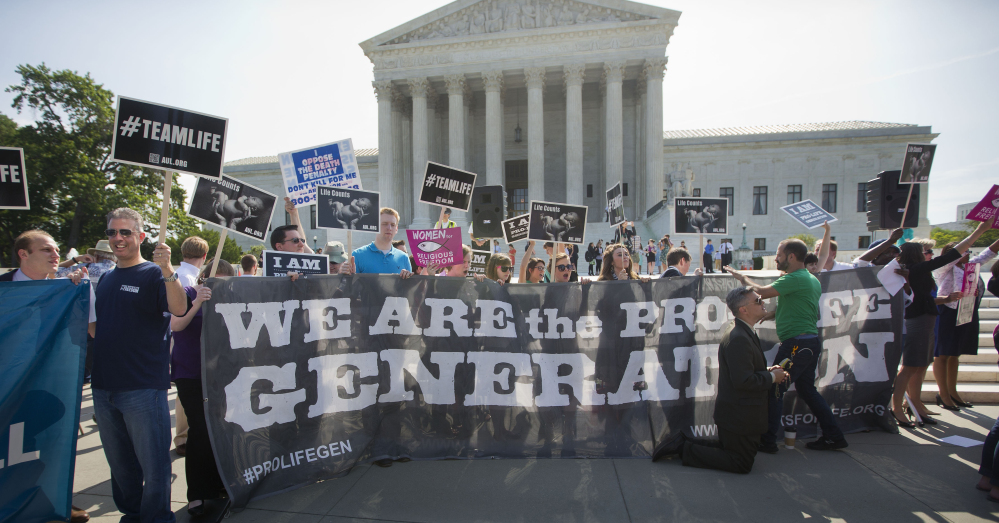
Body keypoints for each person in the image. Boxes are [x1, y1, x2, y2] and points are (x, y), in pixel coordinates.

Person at [92, 207, 191, 523]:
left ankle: (157, 518)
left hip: (142, 387)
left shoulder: (153, 273)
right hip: (104, 387)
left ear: (141, 236)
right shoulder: (106, 278)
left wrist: (167, 270)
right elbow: (99, 327)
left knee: (154, 464)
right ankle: (132, 516)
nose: (118, 238)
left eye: (125, 232)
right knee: (120, 465)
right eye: (112, 232)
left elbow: (178, 308)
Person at [2, 230, 96, 523]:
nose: (56, 255)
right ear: (23, 254)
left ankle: (51, 499)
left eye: (57, 249)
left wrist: (76, 295)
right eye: (46, 250)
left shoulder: (63, 290)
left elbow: (78, 336)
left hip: (41, 383)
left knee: (44, 440)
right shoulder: (3, 287)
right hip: (6, 385)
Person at [724, 238, 847, 452]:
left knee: (775, 388)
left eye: (779, 255)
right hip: (807, 342)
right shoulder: (809, 278)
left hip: (797, 345)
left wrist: (741, 277)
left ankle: (768, 441)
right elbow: (799, 307)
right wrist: (773, 314)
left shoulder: (795, 278)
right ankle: (833, 435)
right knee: (807, 390)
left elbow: (760, 292)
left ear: (791, 257)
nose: (775, 259)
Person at [656, 287, 788, 473]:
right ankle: (683, 448)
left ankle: (683, 442)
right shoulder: (739, 337)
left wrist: (767, 371)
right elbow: (743, 381)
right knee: (741, 463)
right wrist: (773, 377)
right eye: (758, 300)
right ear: (744, 309)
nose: (763, 303)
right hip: (739, 415)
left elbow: (743, 369)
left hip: (739, 414)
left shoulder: (743, 331)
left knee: (733, 452)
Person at [890, 217, 994, 423]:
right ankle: (898, 407)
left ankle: (916, 404)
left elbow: (925, 299)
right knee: (910, 366)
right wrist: (979, 231)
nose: (929, 255)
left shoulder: (917, 272)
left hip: (926, 319)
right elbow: (953, 255)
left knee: (921, 365)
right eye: (926, 252)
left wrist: (945, 299)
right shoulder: (917, 269)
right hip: (917, 321)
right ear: (917, 255)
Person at [170, 261, 233, 517]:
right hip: (191, 373)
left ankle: (219, 484)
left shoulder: (232, 298)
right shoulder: (186, 293)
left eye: (226, 282)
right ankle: (196, 493)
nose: (220, 286)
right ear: (203, 278)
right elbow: (176, 326)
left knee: (221, 428)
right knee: (201, 429)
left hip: (221, 373)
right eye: (215, 280)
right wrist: (198, 303)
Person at [933, 236, 999, 410]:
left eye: (968, 251)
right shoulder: (944, 268)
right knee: (942, 354)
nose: (968, 253)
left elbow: (988, 253)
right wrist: (978, 233)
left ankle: (953, 392)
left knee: (955, 354)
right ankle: (943, 394)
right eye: (964, 251)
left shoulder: (970, 266)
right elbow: (951, 260)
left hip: (966, 311)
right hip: (947, 312)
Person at [342, 208, 412, 277]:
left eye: (393, 225)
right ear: (375, 226)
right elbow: (347, 286)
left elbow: (409, 288)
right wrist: (343, 274)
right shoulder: (357, 255)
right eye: (384, 224)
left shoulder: (404, 258)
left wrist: (407, 280)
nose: (389, 228)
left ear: (396, 229)